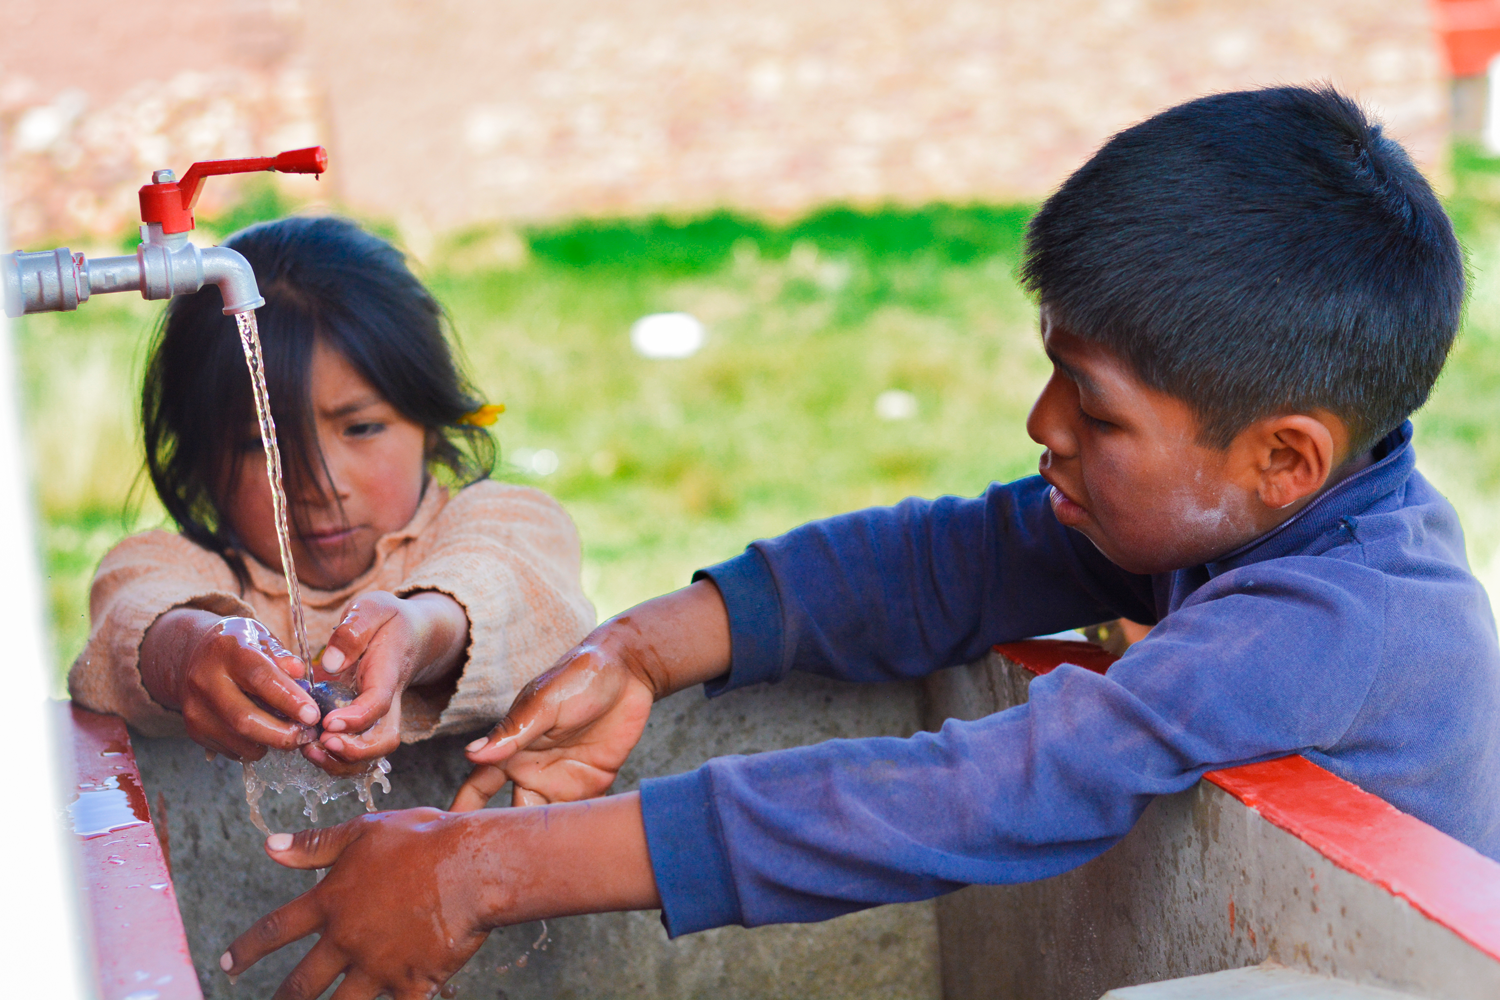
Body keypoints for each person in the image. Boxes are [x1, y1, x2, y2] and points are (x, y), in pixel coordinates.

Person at [224, 86, 1499, 999]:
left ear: (1285, 457)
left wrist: (487, 871)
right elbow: (942, 564)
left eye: (1095, 408)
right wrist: (644, 649)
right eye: (1054, 372)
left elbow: (994, 789)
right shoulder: (1233, 510)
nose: (1042, 424)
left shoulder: (1334, 619)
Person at [68, 215, 595, 772]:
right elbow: (132, 610)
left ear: (431, 424)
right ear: (199, 461)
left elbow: (512, 584)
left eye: (361, 428)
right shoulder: (189, 572)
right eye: (260, 444)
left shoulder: (497, 522)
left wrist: (423, 632)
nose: (319, 487)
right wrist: (191, 650)